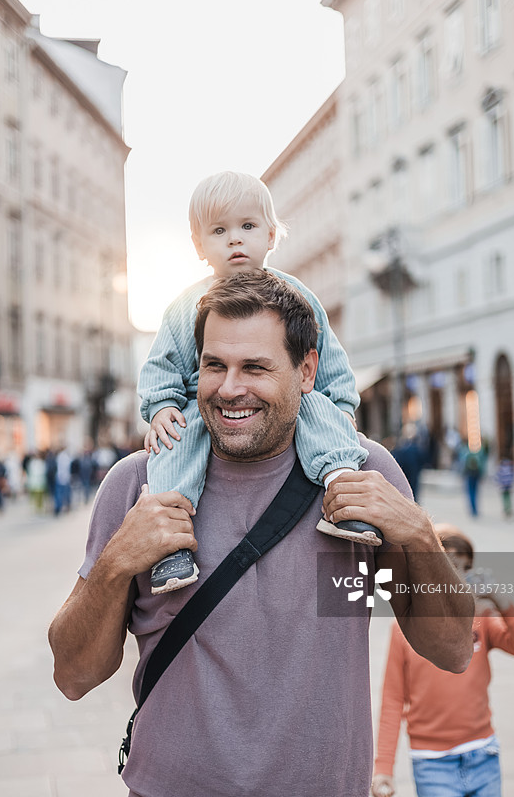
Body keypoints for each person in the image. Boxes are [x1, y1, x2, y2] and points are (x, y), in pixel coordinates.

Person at [48, 271, 473, 797]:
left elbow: (453, 650)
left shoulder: (364, 476)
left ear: (307, 370)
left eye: (255, 367)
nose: (229, 389)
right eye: (214, 366)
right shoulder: (141, 481)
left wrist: (420, 536)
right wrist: (116, 562)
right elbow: (72, 675)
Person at [139, 171, 379, 595]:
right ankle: (171, 542)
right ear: (198, 245)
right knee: (176, 442)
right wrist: (161, 407)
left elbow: (329, 359)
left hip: (292, 399)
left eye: (247, 227)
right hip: (205, 405)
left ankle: (344, 492)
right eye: (219, 230)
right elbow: (162, 364)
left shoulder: (297, 296)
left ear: (271, 235)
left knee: (318, 414)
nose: (235, 239)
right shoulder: (183, 306)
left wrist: (340, 407)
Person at [371, 524, 514, 797]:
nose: (451, 579)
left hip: (484, 753)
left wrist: (501, 601)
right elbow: (392, 700)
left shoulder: (481, 620)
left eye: (459, 569)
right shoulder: (402, 630)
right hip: (432, 762)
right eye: (442, 569)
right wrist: (384, 768)